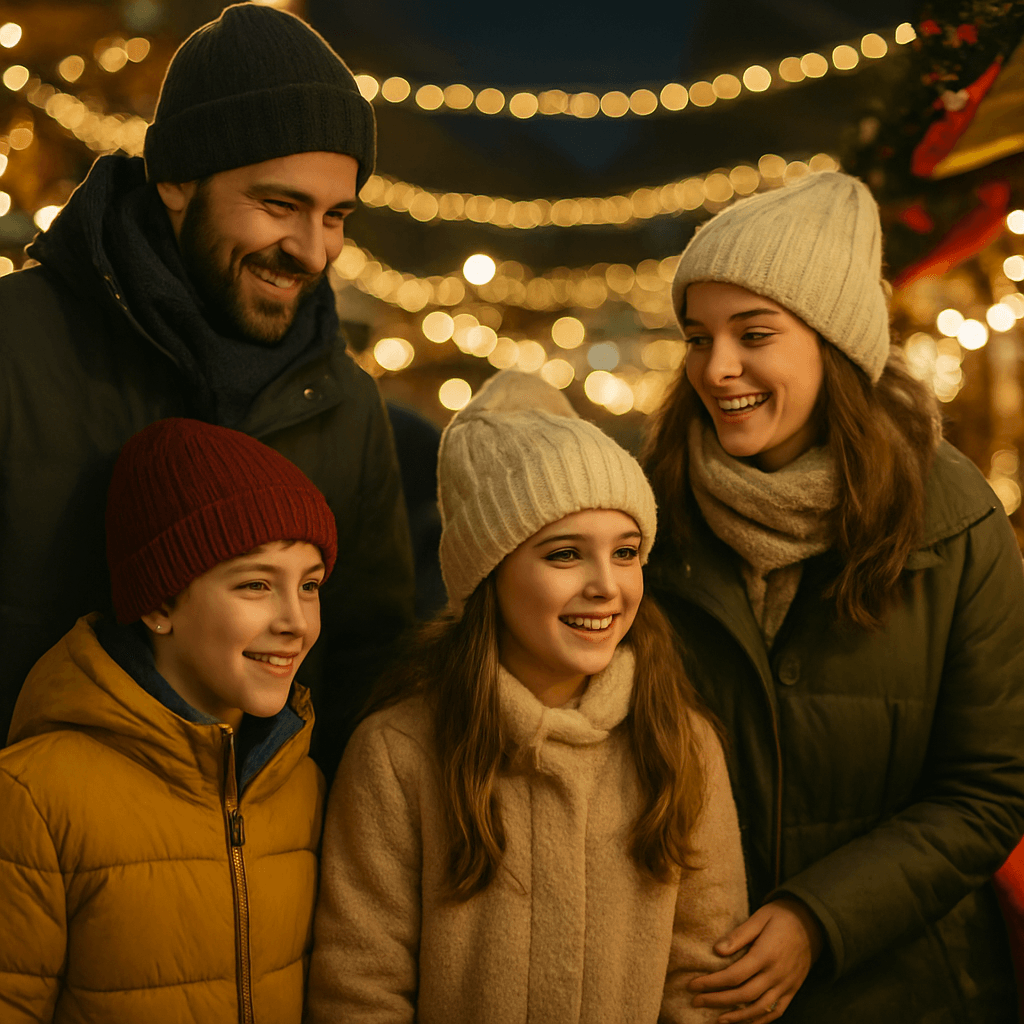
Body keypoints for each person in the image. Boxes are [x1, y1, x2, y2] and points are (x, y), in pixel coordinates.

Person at [643, 170, 1024, 1022]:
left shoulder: (953, 524)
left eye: (755, 333)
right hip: (689, 991)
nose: (719, 368)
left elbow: (989, 787)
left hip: (909, 989)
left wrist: (819, 920)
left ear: (835, 342)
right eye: (699, 337)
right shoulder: (645, 515)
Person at [0, 2, 413, 779]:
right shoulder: (15, 348)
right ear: (179, 180)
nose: (313, 251)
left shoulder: (345, 405)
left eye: (336, 215)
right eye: (279, 205)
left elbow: (369, 668)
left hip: (264, 873)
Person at [305, 369, 749, 1024]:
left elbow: (703, 981)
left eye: (626, 552)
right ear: (489, 570)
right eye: (565, 555)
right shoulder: (399, 752)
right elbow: (360, 988)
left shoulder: (679, 741)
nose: (606, 585)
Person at [0, 417, 336, 1022]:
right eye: (257, 584)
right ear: (160, 602)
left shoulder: (302, 784)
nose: (296, 622)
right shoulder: (34, 796)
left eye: (310, 586)